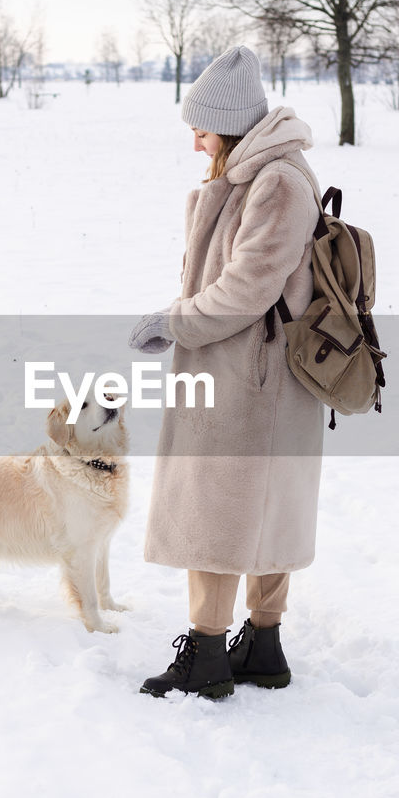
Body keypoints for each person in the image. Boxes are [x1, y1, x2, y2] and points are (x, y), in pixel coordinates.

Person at [128, 46, 324, 700]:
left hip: (249, 377)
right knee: (261, 506)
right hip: (256, 374)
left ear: (232, 127)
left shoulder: (273, 183)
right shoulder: (256, 176)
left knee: (217, 509)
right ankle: (261, 647)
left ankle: (207, 654)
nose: (194, 144)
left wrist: (175, 320)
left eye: (202, 131)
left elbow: (246, 288)